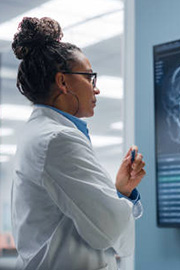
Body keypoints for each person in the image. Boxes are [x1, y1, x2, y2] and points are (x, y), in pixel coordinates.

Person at [10, 17, 146, 270]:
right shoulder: (57, 139)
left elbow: (80, 216)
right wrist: (121, 203)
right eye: (89, 77)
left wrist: (120, 192)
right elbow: (108, 230)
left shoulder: (41, 133)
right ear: (63, 82)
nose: (96, 90)